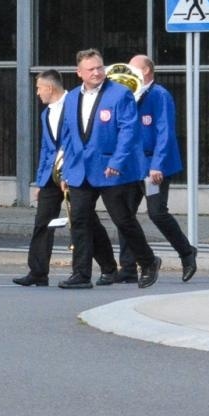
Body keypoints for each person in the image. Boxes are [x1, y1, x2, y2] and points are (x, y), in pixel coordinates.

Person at [55, 50, 158, 290]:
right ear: (79, 73)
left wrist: (117, 162)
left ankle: (149, 261)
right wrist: (66, 170)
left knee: (123, 219)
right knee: (80, 220)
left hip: (111, 169)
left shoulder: (120, 94)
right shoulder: (71, 98)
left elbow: (128, 131)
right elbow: (68, 135)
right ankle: (81, 273)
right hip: (80, 169)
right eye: (90, 69)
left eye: (99, 67)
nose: (97, 72)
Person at [15, 70, 117, 286]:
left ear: (49, 88)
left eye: (38, 88)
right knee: (42, 221)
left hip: (74, 172)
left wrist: (69, 172)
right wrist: (41, 179)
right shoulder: (45, 114)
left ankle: (108, 267)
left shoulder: (75, 103)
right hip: (52, 175)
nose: (37, 93)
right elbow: (46, 148)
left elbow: (77, 143)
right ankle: (38, 272)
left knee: (86, 220)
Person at [116, 55, 199, 283]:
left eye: (135, 68)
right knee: (124, 215)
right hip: (132, 166)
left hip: (152, 165)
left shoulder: (160, 95)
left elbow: (165, 132)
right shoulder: (128, 95)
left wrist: (157, 165)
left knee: (157, 212)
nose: (130, 72)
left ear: (148, 71)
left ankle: (186, 252)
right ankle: (128, 267)